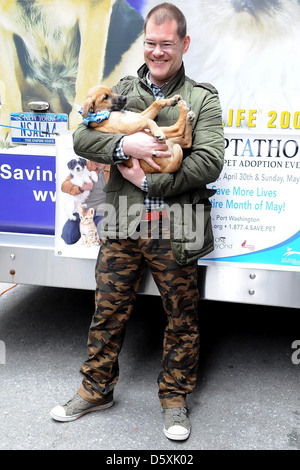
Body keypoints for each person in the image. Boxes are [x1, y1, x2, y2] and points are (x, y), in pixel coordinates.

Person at [50, 2, 224, 441]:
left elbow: (209, 161)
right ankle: (95, 390)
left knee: (181, 317)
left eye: (167, 44)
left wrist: (152, 185)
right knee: (107, 311)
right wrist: (127, 149)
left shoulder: (203, 98)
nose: (157, 52)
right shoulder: (121, 89)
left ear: (184, 44)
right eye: (150, 43)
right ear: (143, 43)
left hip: (176, 225)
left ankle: (174, 400)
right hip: (123, 223)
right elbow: (82, 136)